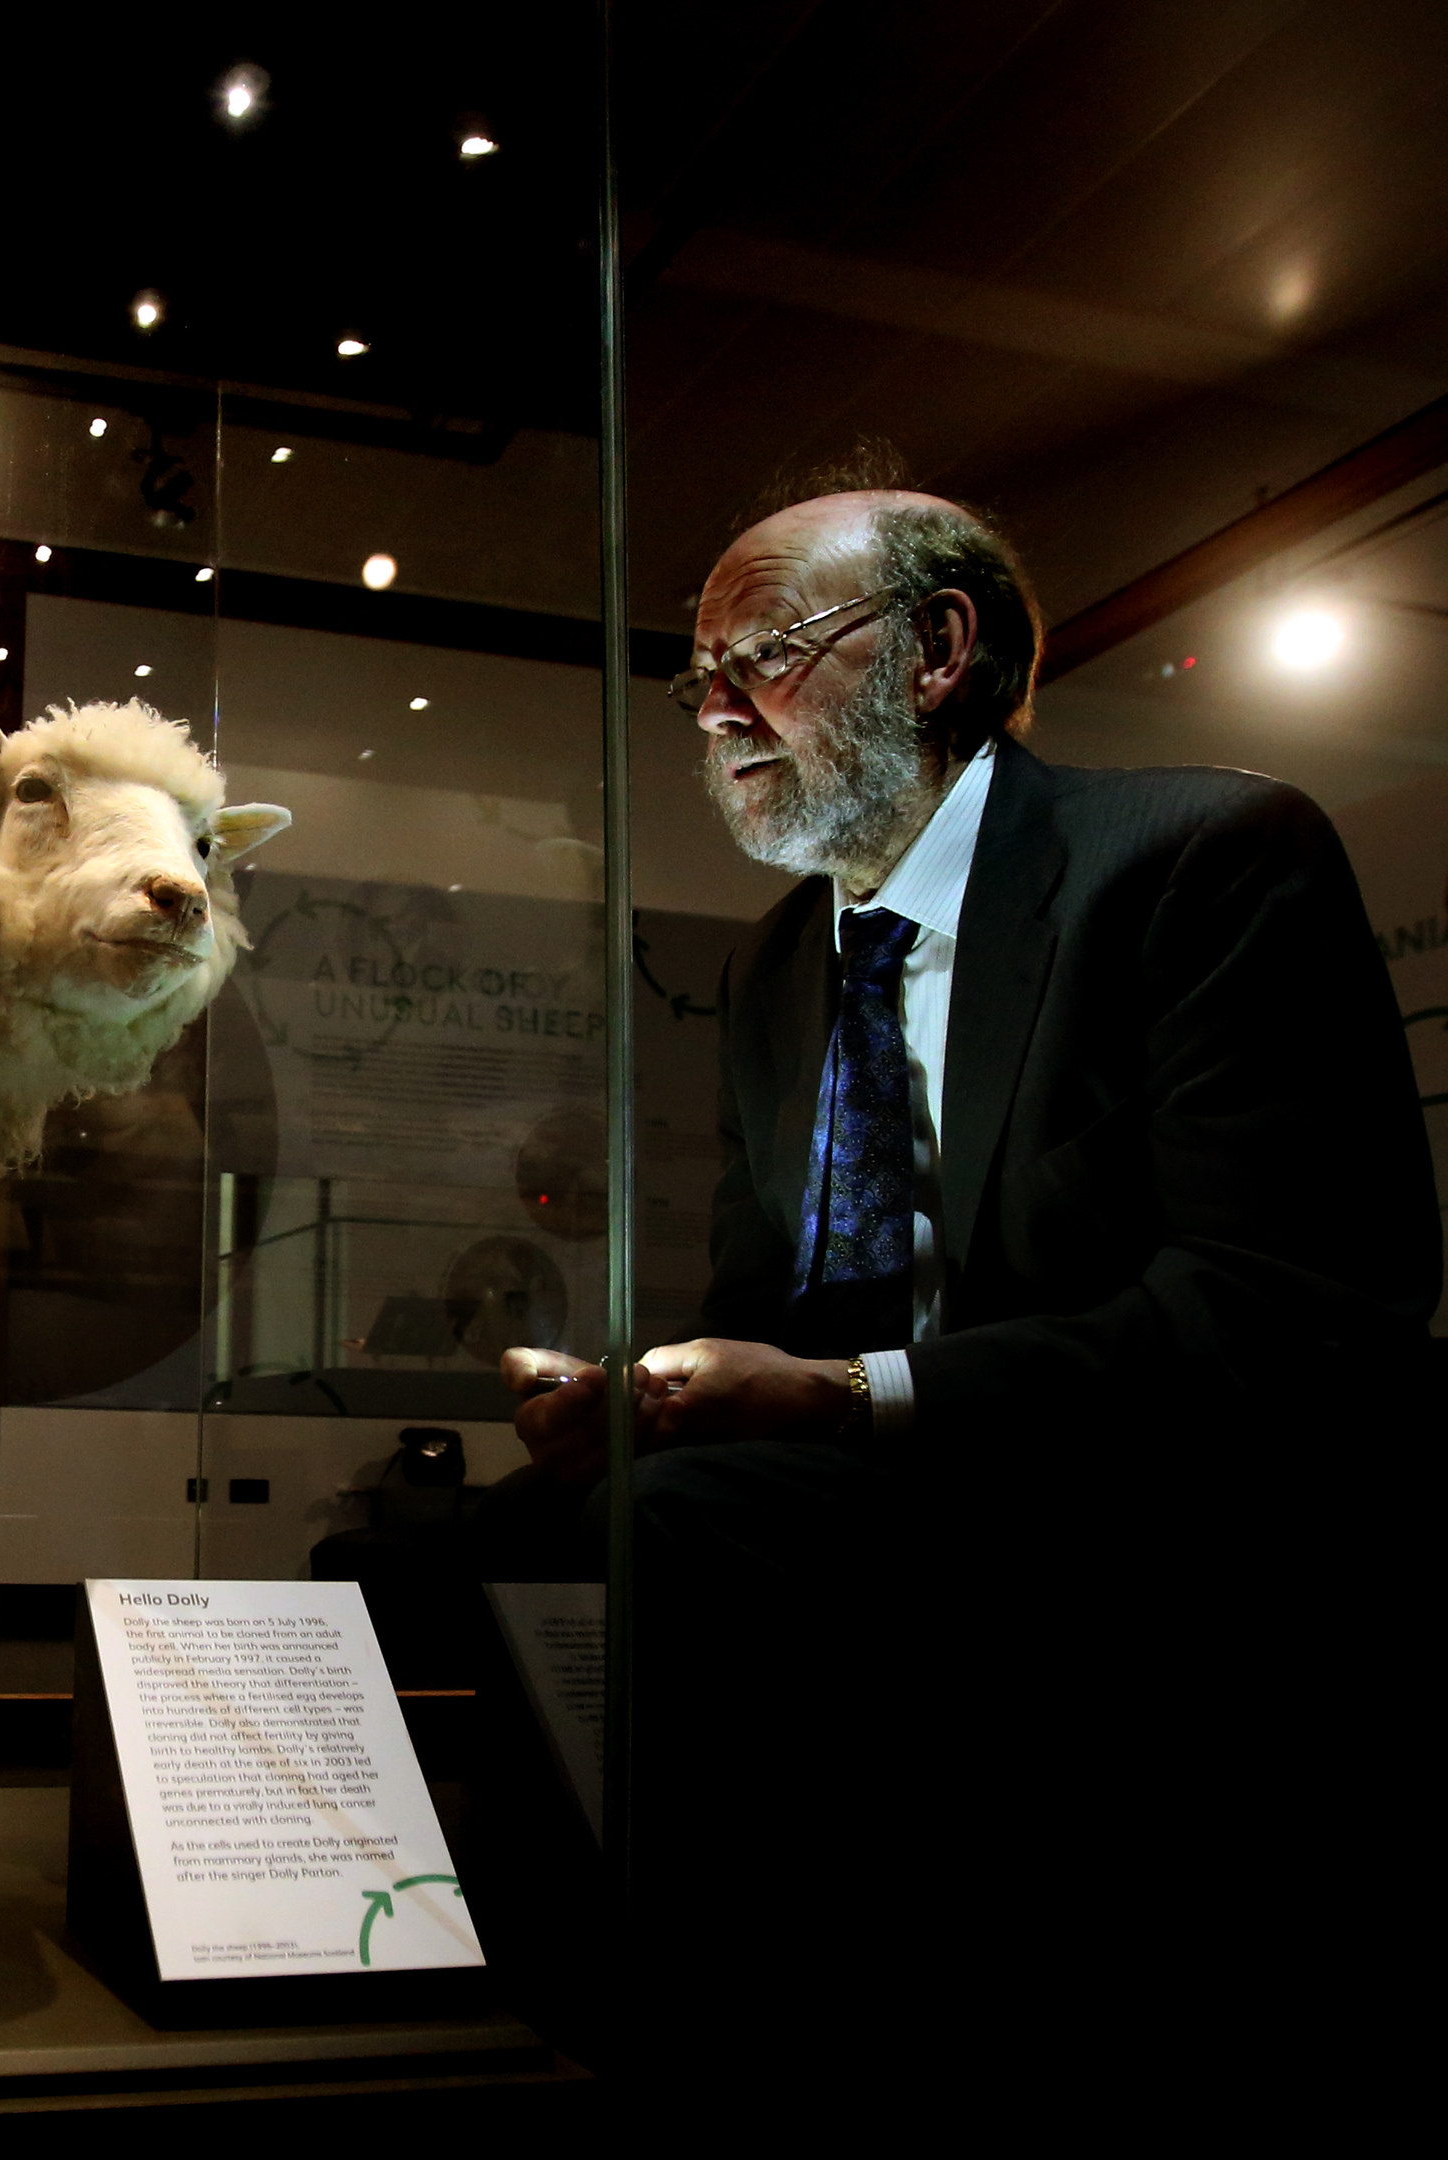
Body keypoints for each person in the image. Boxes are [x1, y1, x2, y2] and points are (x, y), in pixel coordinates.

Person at [501, 460, 1439, 2095]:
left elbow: (1295, 1307)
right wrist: (649, 1392)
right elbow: (772, 1311)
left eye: (767, 651)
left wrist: (857, 1397)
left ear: (939, 651)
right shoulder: (786, 957)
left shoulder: (1202, 859)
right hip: (893, 1499)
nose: (716, 709)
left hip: (1152, 1508)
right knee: (470, 1526)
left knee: (677, 1537)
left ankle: (705, 2042)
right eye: (695, 679)